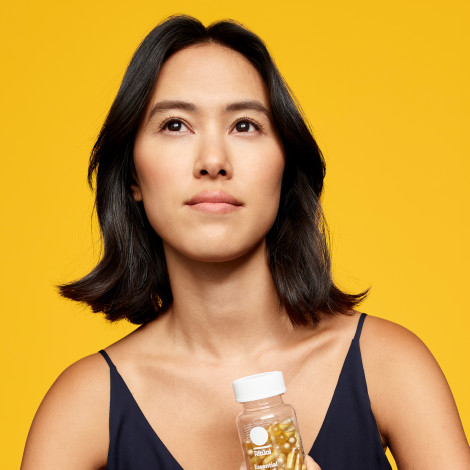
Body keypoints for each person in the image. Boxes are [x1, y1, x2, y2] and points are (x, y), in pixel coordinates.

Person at [21, 15, 469, 470]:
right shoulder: (81, 408)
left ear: (284, 164)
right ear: (133, 174)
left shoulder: (390, 366)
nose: (213, 161)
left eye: (245, 126)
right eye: (175, 125)